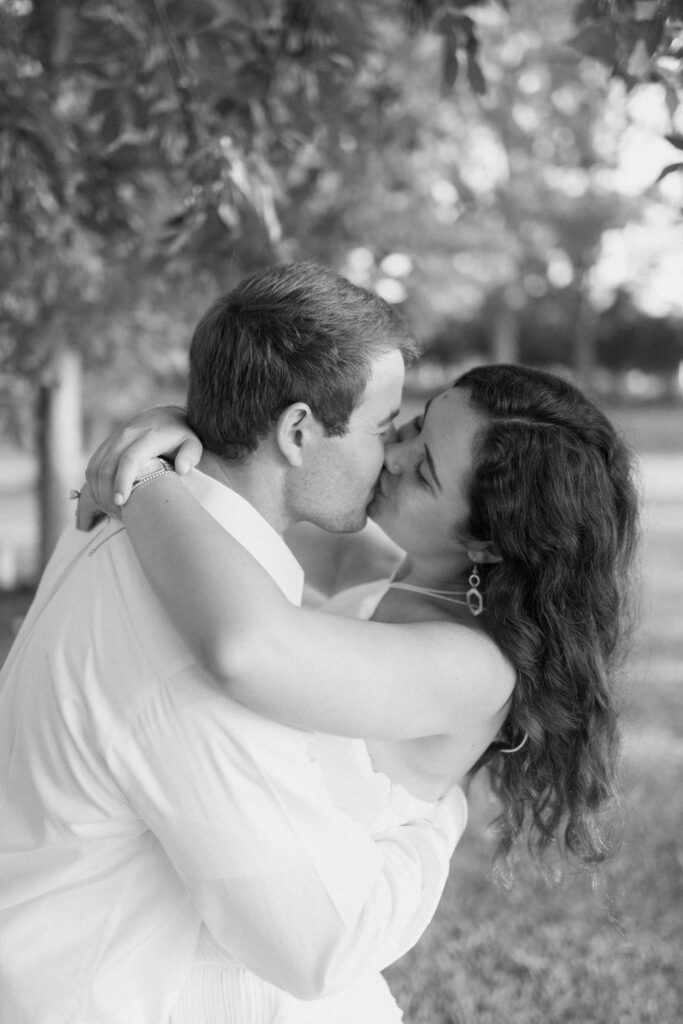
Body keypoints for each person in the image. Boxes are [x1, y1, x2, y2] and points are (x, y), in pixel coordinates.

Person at [81, 358, 640, 1020]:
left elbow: (246, 646)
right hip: (205, 928)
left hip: (271, 986)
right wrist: (177, 426)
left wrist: (141, 476)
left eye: (424, 469)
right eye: (410, 426)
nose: (392, 455)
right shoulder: (387, 566)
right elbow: (250, 500)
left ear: (488, 543)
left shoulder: (470, 667)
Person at [0, 263, 474, 1024]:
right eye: (382, 429)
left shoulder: (138, 509)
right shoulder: (193, 636)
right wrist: (435, 812)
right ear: (296, 431)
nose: (388, 457)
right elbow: (317, 945)